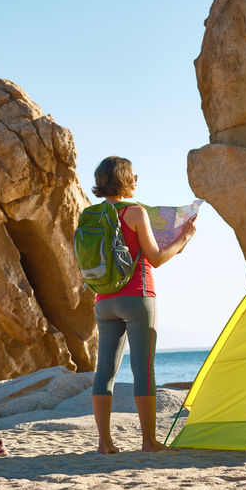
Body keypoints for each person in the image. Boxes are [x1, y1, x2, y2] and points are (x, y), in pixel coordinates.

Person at [89, 156, 196, 453]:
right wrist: (184, 238)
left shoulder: (91, 214)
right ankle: (149, 441)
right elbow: (157, 258)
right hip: (138, 296)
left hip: (103, 301)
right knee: (143, 370)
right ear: (126, 179)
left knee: (104, 372)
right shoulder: (135, 212)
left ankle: (104, 444)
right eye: (134, 175)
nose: (137, 179)